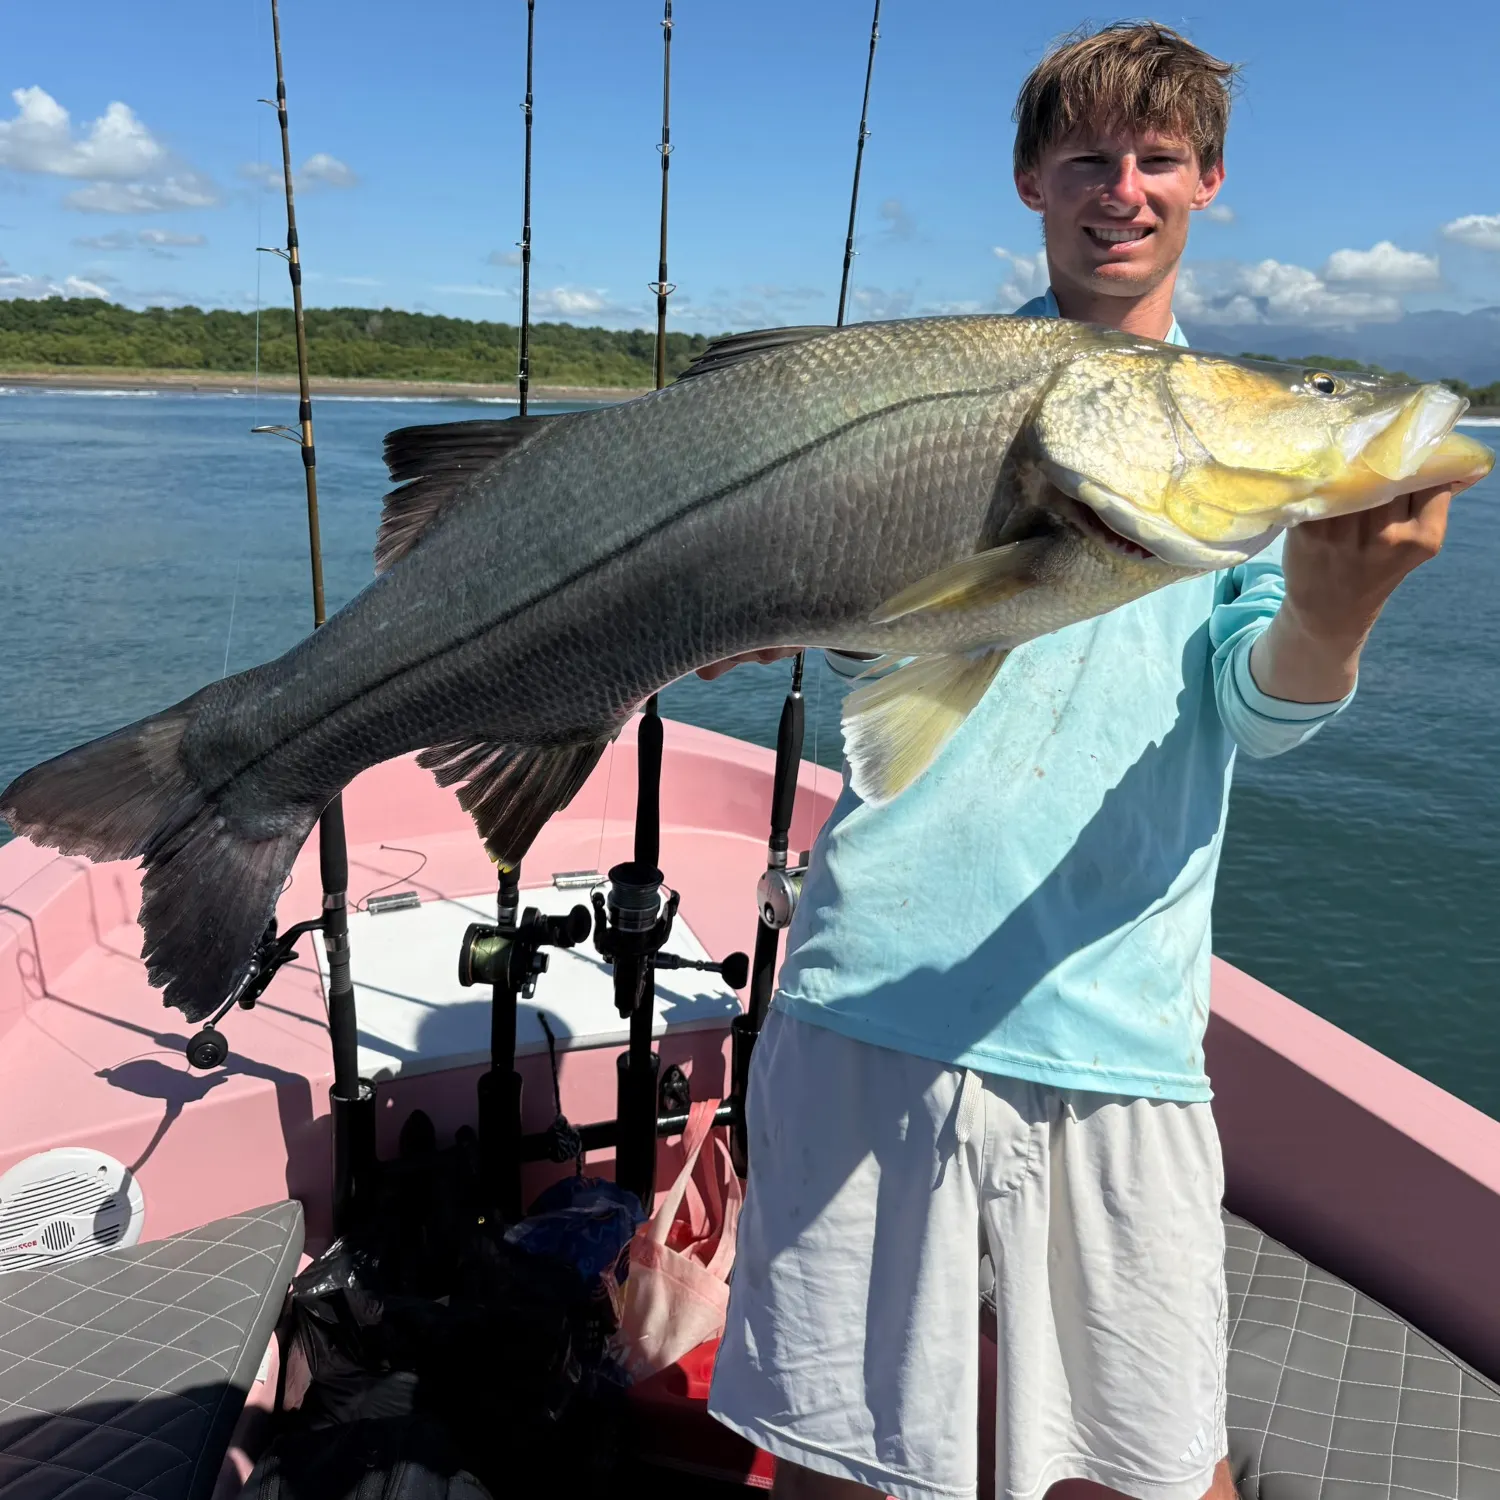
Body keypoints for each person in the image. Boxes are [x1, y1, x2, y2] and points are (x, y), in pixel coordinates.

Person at [699, 20, 1476, 1500]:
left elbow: (1262, 703)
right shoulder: (924, 398)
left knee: (1153, 1469)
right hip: (871, 995)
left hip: (1119, 1031)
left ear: (1208, 184)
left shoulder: (1240, 455)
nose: (1123, 188)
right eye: (1086, 160)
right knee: (831, 1470)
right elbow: (882, 665)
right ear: (1030, 186)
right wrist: (753, 605)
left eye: (1158, 159)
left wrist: (1335, 609)